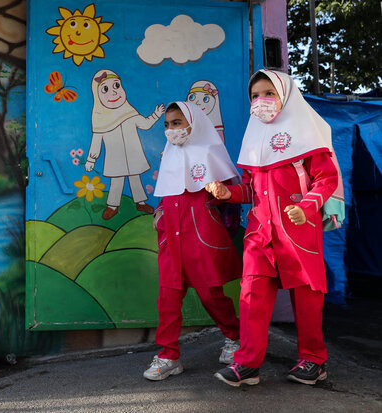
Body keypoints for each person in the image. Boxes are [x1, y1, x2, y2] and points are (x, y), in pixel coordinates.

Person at [207, 69, 339, 387]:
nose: (260, 101)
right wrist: (230, 194)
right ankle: (247, 363)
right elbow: (252, 190)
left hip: (299, 231)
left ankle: (313, 361)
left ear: (286, 96)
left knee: (307, 297)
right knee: (251, 294)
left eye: (268, 93)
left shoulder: (308, 134)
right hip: (260, 233)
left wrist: (306, 208)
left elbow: (327, 178)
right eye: (255, 95)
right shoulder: (255, 139)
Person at [143, 101, 242, 381]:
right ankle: (168, 355)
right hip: (171, 234)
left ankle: (235, 338)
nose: (171, 130)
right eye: (167, 125)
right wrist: (160, 214)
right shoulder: (170, 154)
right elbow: (169, 190)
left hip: (200, 234)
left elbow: (229, 192)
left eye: (177, 123)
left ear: (193, 123)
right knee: (168, 296)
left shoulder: (210, 152)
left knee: (211, 293)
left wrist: (218, 193)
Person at [85, 69, 163, 220]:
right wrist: (91, 160)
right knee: (116, 181)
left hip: (133, 155)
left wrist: (156, 115)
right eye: (105, 89)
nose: (113, 93)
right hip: (115, 159)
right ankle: (113, 206)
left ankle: (140, 202)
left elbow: (145, 124)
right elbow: (96, 142)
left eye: (116, 86)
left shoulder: (130, 113)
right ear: (97, 95)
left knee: (135, 178)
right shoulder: (100, 120)